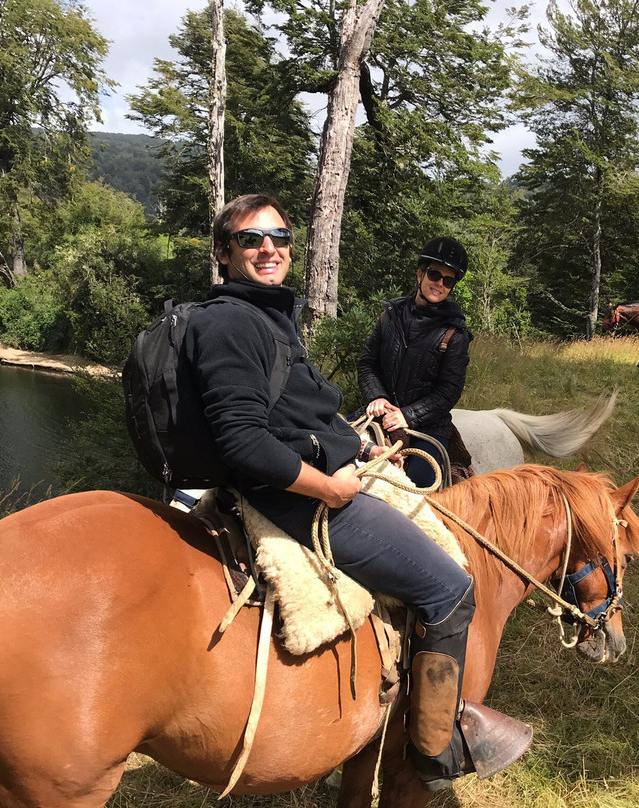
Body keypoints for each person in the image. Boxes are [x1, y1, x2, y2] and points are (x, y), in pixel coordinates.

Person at [181, 194, 529, 791]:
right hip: (302, 495)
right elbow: (241, 438)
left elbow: (300, 407)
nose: (270, 248)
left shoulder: (267, 316)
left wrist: (359, 442)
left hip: (390, 437)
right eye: (252, 239)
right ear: (223, 252)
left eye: (281, 237)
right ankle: (434, 748)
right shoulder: (232, 322)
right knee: (451, 585)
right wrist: (331, 486)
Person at [357, 237, 472, 488]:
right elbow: (367, 363)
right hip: (381, 414)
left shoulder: (454, 334)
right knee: (334, 447)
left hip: (428, 426)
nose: (439, 284)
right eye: (434, 274)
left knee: (421, 479)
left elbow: (448, 391)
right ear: (420, 274)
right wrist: (376, 396)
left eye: (448, 280)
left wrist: (407, 415)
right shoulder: (389, 317)